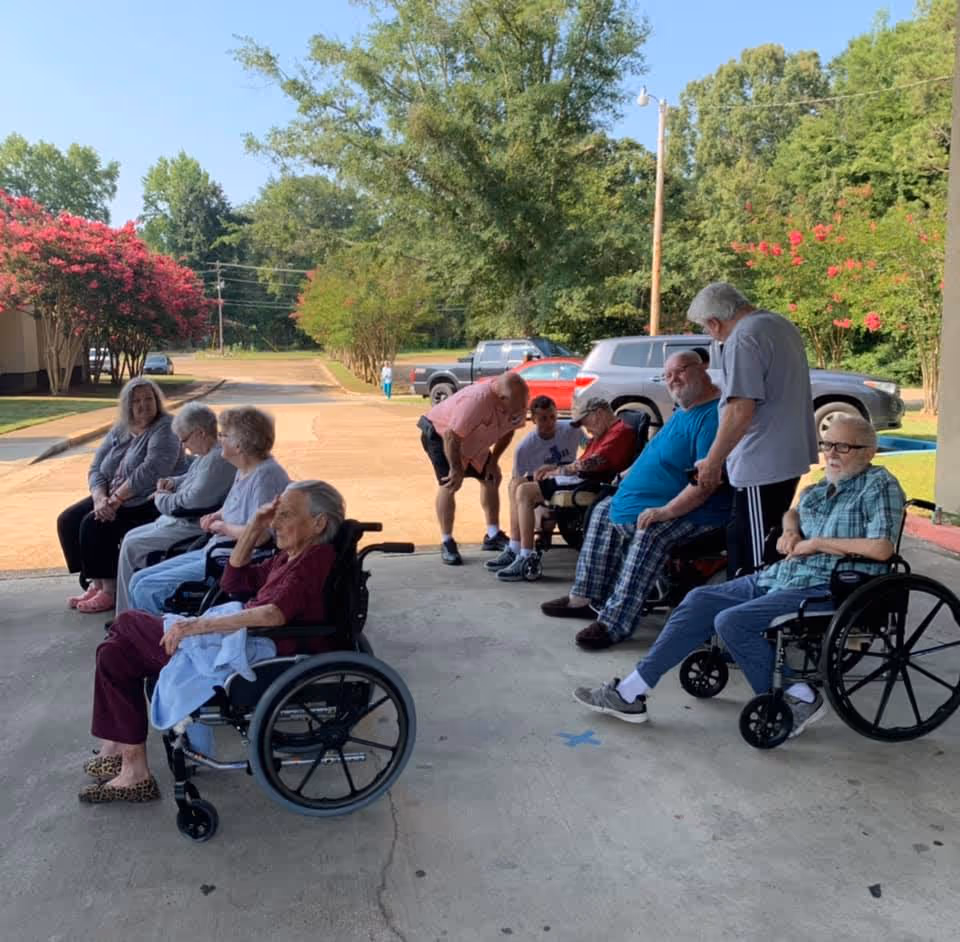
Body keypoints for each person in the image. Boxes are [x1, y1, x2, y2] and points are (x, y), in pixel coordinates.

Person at [573, 415, 905, 739]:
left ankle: (799, 696)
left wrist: (816, 543)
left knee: (732, 622)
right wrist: (791, 531)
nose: (831, 453)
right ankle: (631, 692)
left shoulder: (879, 485)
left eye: (843, 447)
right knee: (699, 600)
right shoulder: (825, 485)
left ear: (868, 451)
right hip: (786, 574)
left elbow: (882, 549)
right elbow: (794, 511)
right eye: (828, 444)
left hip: (834, 585)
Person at [78, 480, 345, 804]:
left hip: (267, 651)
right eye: (277, 515)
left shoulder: (315, 560)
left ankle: (126, 760)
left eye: (285, 515)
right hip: (243, 637)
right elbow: (234, 581)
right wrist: (256, 525)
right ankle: (129, 764)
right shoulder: (288, 557)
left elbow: (272, 615)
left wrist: (196, 626)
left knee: (127, 623)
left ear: (319, 523)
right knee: (114, 654)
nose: (276, 523)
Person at [539, 353, 731, 645]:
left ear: (702, 369)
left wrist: (666, 511)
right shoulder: (684, 409)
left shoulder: (713, 416)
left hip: (697, 511)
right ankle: (585, 597)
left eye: (680, 371)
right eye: (667, 376)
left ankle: (615, 622)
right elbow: (656, 451)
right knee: (604, 509)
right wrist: (631, 472)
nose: (673, 380)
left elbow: (706, 483)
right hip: (661, 500)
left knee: (649, 530)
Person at [686, 282, 818, 576]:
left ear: (714, 322)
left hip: (762, 460)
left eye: (706, 329)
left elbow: (740, 409)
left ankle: (753, 616)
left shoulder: (743, 338)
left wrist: (713, 460)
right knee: (754, 538)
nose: (710, 335)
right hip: (785, 454)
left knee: (755, 557)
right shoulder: (779, 324)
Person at [127, 406, 290, 614]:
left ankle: (156, 640)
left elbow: (260, 536)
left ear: (240, 444)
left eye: (223, 435)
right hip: (215, 550)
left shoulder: (266, 476)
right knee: (137, 579)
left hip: (232, 561)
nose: (218, 439)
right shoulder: (245, 470)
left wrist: (222, 526)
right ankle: (137, 634)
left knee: (145, 589)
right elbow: (238, 505)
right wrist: (219, 514)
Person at [57, 377, 187, 614]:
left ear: (157, 401)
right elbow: (96, 468)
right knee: (68, 520)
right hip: (111, 494)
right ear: (127, 405)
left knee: (94, 524)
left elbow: (150, 472)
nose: (143, 405)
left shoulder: (167, 427)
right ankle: (95, 582)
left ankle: (110, 590)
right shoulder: (121, 428)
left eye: (149, 399)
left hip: (147, 498)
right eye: (136, 400)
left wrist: (115, 500)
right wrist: (99, 498)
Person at [490, 396, 638, 582]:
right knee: (516, 484)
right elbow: (582, 461)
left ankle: (526, 557)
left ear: (598, 414)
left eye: (586, 422)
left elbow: (591, 464)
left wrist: (558, 470)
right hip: (578, 477)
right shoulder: (604, 433)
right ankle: (514, 547)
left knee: (524, 492)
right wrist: (555, 469)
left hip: (590, 482)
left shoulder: (619, 433)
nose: (586, 428)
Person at [114, 403, 237, 614]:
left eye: (184, 439)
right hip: (183, 522)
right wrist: (172, 482)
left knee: (132, 544)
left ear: (200, 433)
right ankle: (128, 612)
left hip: (192, 526)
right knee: (130, 537)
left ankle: (128, 614)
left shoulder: (217, 460)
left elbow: (190, 502)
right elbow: (191, 477)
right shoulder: (208, 456)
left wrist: (160, 498)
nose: (184, 446)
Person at [417, 372, 528, 565]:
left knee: (492, 478)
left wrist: (493, 462)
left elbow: (508, 432)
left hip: (475, 440)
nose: (519, 412)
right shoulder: (477, 401)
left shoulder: (516, 400)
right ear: (502, 399)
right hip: (442, 435)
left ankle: (492, 535)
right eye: (516, 408)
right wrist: (456, 469)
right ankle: (447, 541)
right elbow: (452, 436)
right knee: (450, 484)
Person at [484, 394, 582, 574]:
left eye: (553, 416)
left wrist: (564, 467)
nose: (550, 422)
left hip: (568, 478)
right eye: (543, 418)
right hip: (545, 482)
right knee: (514, 486)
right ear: (533, 420)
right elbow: (519, 478)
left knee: (521, 490)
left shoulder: (571, 429)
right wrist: (539, 507)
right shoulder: (525, 447)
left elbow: (590, 450)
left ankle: (523, 553)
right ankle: (515, 547)